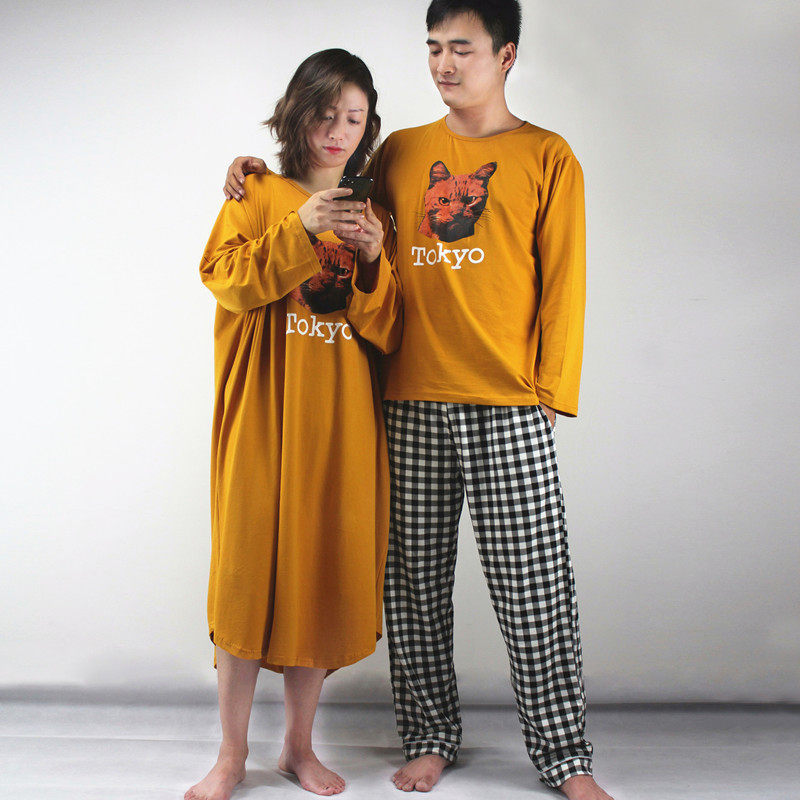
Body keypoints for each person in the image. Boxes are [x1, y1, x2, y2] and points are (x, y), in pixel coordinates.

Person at [223, 2, 615, 798]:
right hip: (406, 400)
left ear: (506, 55)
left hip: (509, 401)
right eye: (434, 47)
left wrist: (551, 388)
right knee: (414, 590)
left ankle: (566, 758)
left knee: (536, 588)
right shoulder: (400, 153)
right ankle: (430, 736)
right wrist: (250, 170)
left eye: (461, 48)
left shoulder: (548, 156)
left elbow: (566, 280)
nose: (443, 64)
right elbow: (323, 187)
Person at [190, 48, 402, 800]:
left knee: (317, 576)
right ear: (297, 113)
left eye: (355, 118)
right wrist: (299, 227)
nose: (338, 131)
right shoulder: (256, 191)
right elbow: (225, 278)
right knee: (245, 578)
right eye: (325, 113)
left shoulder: (373, 214)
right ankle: (230, 756)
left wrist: (374, 262)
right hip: (261, 413)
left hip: (339, 422)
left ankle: (297, 749)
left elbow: (388, 329)